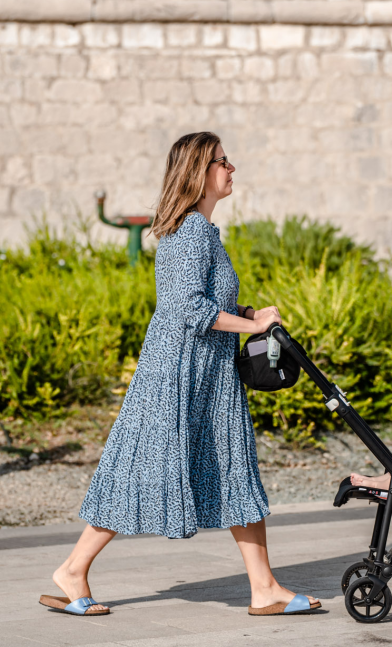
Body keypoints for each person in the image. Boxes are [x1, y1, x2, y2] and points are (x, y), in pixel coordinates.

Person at [40, 132, 320, 617]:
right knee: (144, 469)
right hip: (177, 375)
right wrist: (252, 324)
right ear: (199, 171)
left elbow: (202, 304)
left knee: (232, 469)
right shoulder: (191, 231)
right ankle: (72, 569)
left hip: (206, 374)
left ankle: (264, 586)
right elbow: (187, 308)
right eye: (223, 161)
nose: (232, 169)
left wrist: (246, 311)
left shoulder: (202, 232)